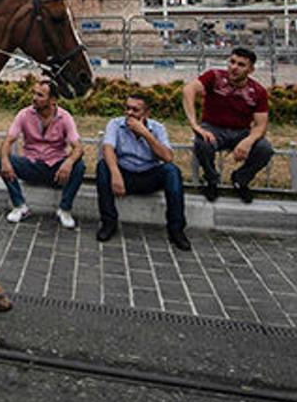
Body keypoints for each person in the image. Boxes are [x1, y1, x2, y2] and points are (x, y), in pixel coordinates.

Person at [95, 92, 191, 251]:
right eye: (127, 108)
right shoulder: (115, 124)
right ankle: (108, 223)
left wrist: (145, 133)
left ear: (146, 113)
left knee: (172, 171)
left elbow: (168, 157)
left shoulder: (158, 128)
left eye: (135, 110)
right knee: (103, 167)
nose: (129, 113)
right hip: (124, 174)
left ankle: (176, 230)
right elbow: (108, 149)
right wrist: (116, 174)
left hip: (149, 175)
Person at [183, 47, 272, 204]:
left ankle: (241, 179)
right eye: (232, 62)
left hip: (242, 131)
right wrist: (195, 124)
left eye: (241, 64)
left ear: (251, 69)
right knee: (202, 143)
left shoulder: (258, 91)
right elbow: (188, 90)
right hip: (213, 128)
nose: (234, 67)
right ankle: (212, 180)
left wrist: (248, 141)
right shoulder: (214, 76)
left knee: (264, 149)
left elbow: (261, 125)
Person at [0, 79, 84, 229]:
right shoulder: (24, 114)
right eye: (34, 93)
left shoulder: (65, 117)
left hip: (56, 169)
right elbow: (8, 141)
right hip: (31, 165)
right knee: (2, 161)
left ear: (53, 100)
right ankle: (20, 206)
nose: (34, 98)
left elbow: (78, 148)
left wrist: (68, 163)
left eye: (40, 95)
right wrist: (5, 160)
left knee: (79, 166)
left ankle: (64, 209)